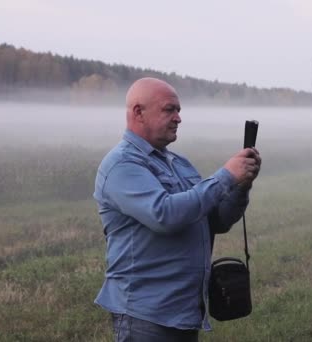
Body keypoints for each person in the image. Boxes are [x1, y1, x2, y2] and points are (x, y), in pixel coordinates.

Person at [93, 77, 262, 342]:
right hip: (145, 315)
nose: (178, 118)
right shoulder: (121, 166)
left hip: (183, 310)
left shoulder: (179, 163)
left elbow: (217, 220)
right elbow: (165, 215)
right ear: (138, 112)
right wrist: (226, 176)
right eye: (169, 109)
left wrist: (241, 186)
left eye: (179, 110)